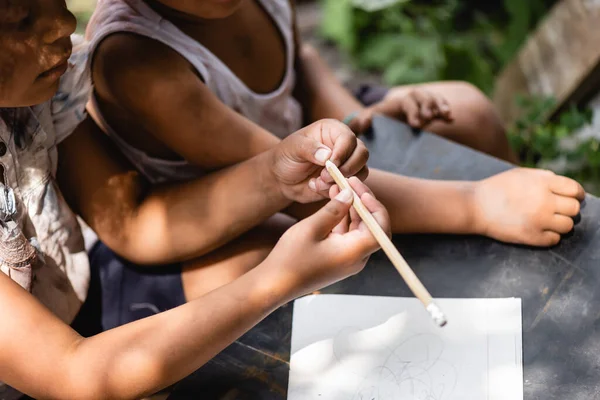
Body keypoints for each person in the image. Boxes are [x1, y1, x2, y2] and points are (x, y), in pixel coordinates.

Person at [0, 1, 389, 398]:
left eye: (57, 1)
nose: (62, 24)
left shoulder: (38, 92)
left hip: (73, 298)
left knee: (261, 244)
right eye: (21, 20)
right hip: (52, 371)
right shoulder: (126, 60)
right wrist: (279, 281)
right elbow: (73, 373)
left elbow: (132, 223)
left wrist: (275, 177)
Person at [86, 0, 585, 258]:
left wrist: (354, 116)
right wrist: (475, 204)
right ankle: (496, 209)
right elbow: (293, 183)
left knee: (468, 110)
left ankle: (519, 222)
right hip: (245, 201)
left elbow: (300, 63)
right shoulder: (139, 64)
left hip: (311, 139)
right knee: (301, 258)